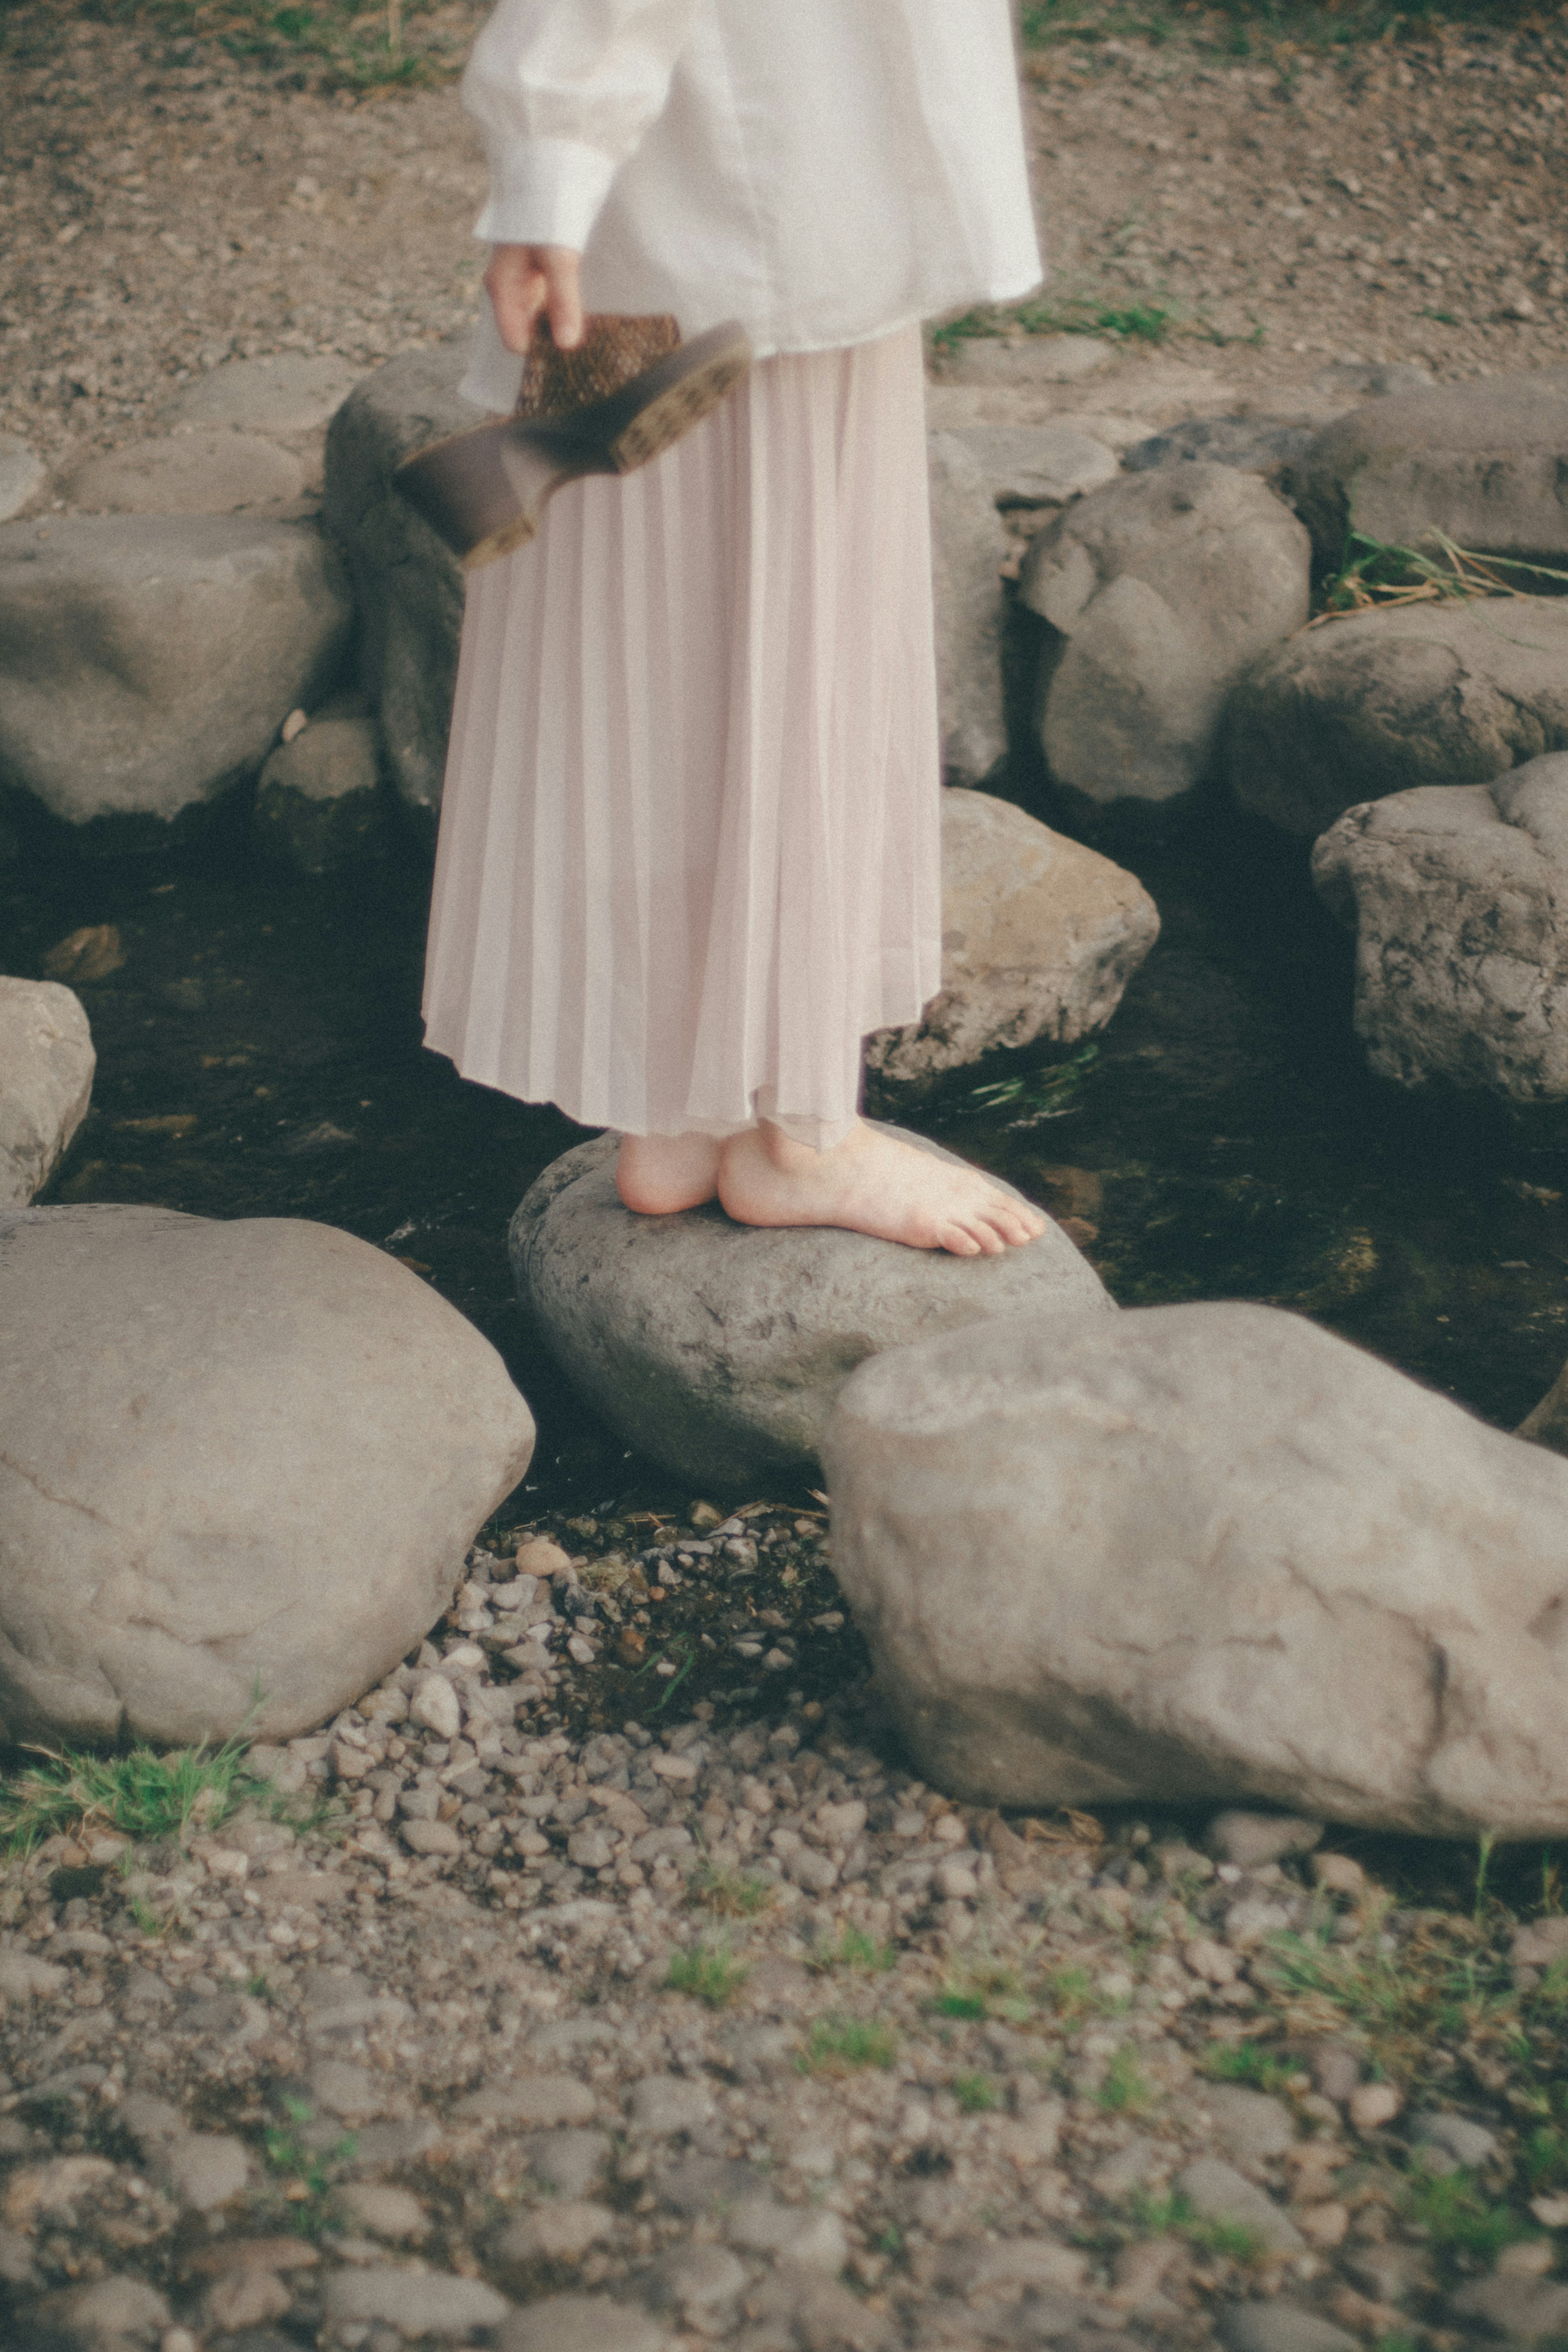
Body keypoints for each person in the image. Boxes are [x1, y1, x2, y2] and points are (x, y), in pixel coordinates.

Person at [422, 0, 1050, 1257]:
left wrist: (559, 160)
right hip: (783, 156)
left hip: (705, 159)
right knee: (787, 613)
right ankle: (800, 1132)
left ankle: (680, 1110)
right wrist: (552, 151)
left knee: (650, 623)